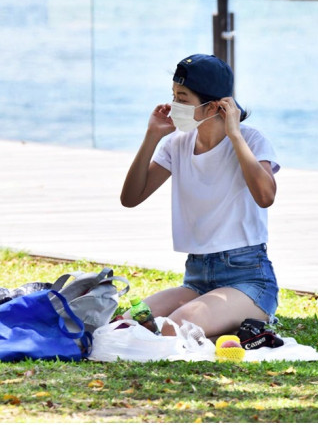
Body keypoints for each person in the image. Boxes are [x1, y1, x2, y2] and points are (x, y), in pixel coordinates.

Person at [120, 53, 280, 338]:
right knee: (124, 325)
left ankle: (234, 323)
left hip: (248, 279)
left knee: (171, 330)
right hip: (197, 279)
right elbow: (131, 197)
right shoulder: (177, 143)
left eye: (183, 98)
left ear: (213, 106)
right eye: (173, 95)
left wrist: (235, 136)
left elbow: (265, 196)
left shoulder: (251, 139)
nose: (173, 106)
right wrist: (152, 136)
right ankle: (218, 326)